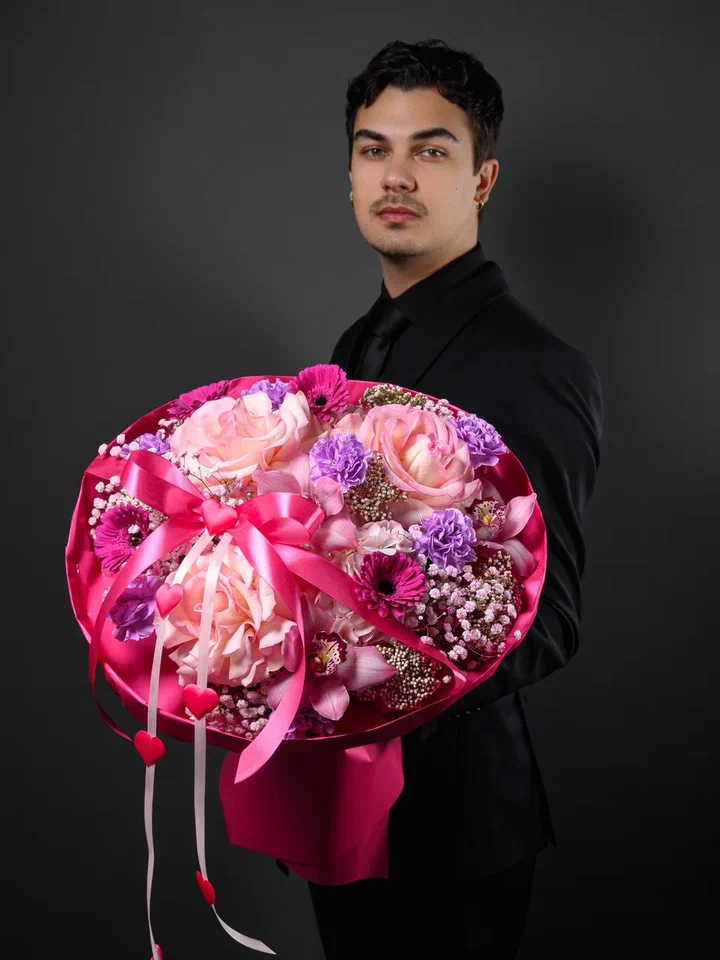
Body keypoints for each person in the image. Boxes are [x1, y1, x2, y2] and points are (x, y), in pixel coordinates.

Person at [285, 39, 604, 959]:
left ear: (483, 179)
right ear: (350, 176)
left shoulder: (534, 365)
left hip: (456, 828)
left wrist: (370, 682)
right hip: (342, 813)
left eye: (430, 150)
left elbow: (549, 619)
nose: (397, 175)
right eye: (373, 149)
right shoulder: (354, 345)